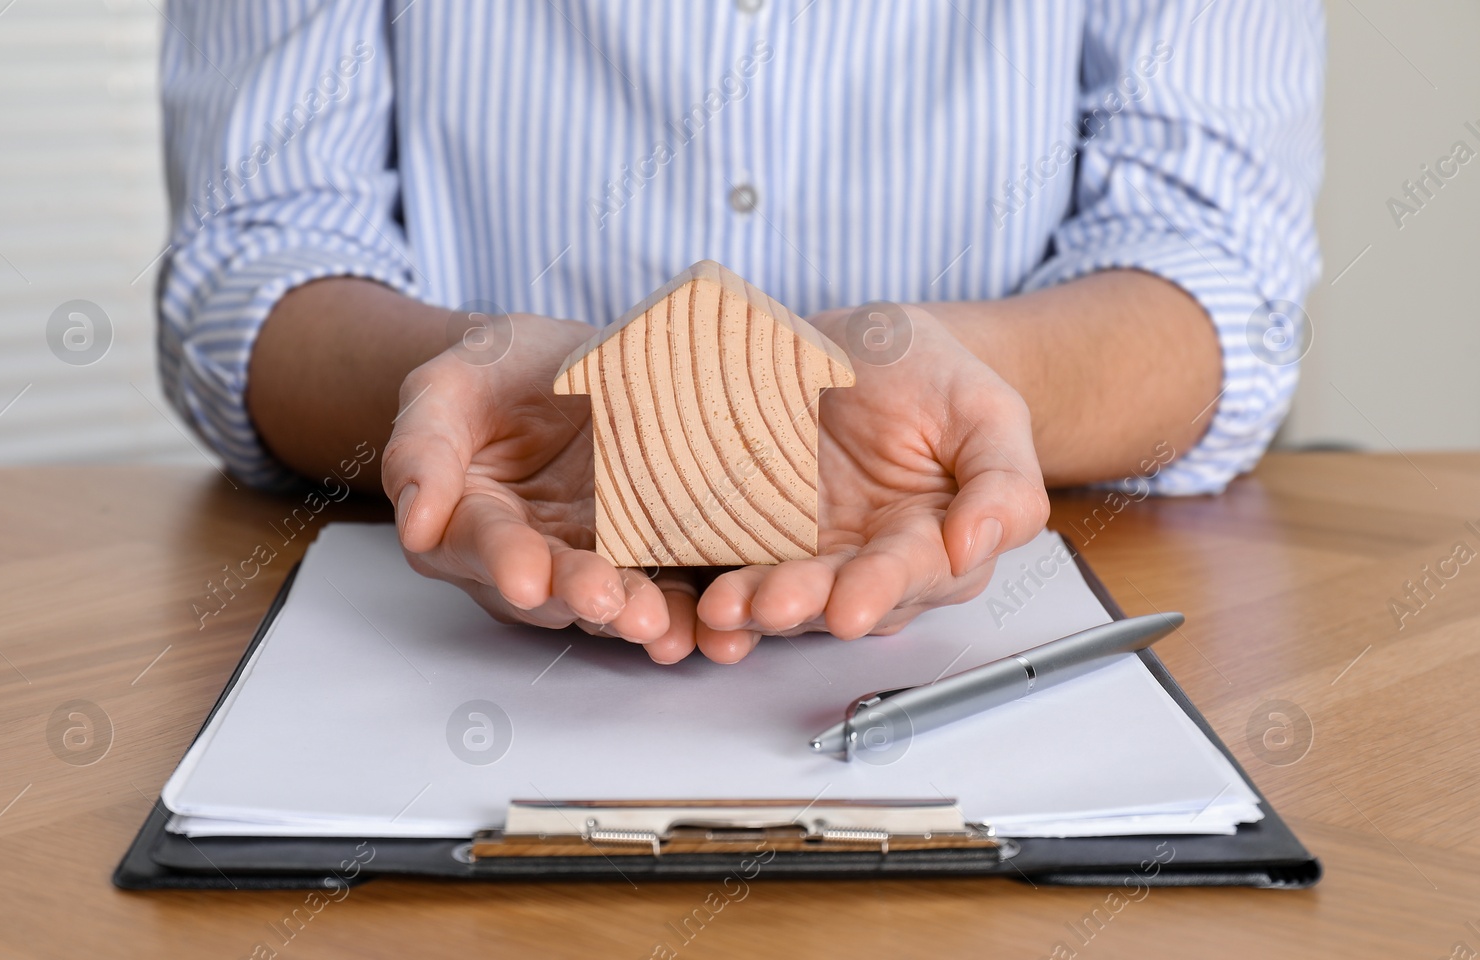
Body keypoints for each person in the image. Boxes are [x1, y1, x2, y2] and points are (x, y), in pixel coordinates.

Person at [157, 0, 1323, 664]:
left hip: (1008, 622)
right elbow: (253, 249)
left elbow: (1218, 267)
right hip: (451, 631)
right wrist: (453, 386)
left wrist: (976, 395)